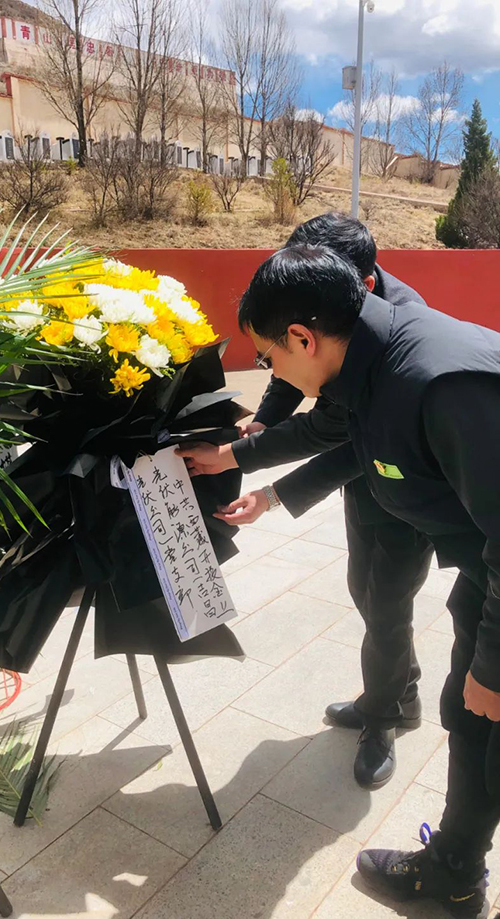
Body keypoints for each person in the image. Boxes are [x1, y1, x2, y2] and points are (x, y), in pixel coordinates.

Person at [208, 243, 500, 917]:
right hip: (484, 571)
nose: (272, 373)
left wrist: (493, 661)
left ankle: (454, 875)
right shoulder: (373, 362)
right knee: (473, 720)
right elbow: (356, 446)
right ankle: (455, 872)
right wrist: (265, 490)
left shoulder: (435, 382)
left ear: (302, 338)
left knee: (485, 719)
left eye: (268, 357)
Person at [178, 213, 434, 791]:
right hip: (366, 480)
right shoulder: (324, 311)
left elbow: (337, 433)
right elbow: (290, 366)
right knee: (365, 587)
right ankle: (401, 694)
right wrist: (264, 421)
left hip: (406, 486)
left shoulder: (397, 333)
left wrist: (249, 471)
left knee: (387, 603)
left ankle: (383, 719)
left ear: (357, 284)